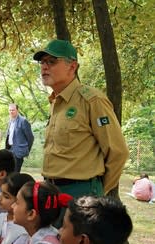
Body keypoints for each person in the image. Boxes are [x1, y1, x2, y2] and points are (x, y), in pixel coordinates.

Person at [33, 39, 129, 227]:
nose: (44, 67)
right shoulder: (55, 102)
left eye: (52, 61)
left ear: (72, 66)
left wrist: (97, 191)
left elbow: (118, 152)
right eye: (42, 62)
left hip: (81, 193)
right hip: (52, 191)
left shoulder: (92, 100)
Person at [5, 103, 34, 172]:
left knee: (15, 173)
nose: (11, 112)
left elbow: (31, 138)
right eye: (10, 110)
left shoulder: (23, 121)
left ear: (17, 110)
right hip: (9, 150)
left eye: (13, 110)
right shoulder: (10, 121)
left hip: (18, 152)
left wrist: (26, 150)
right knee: (9, 171)